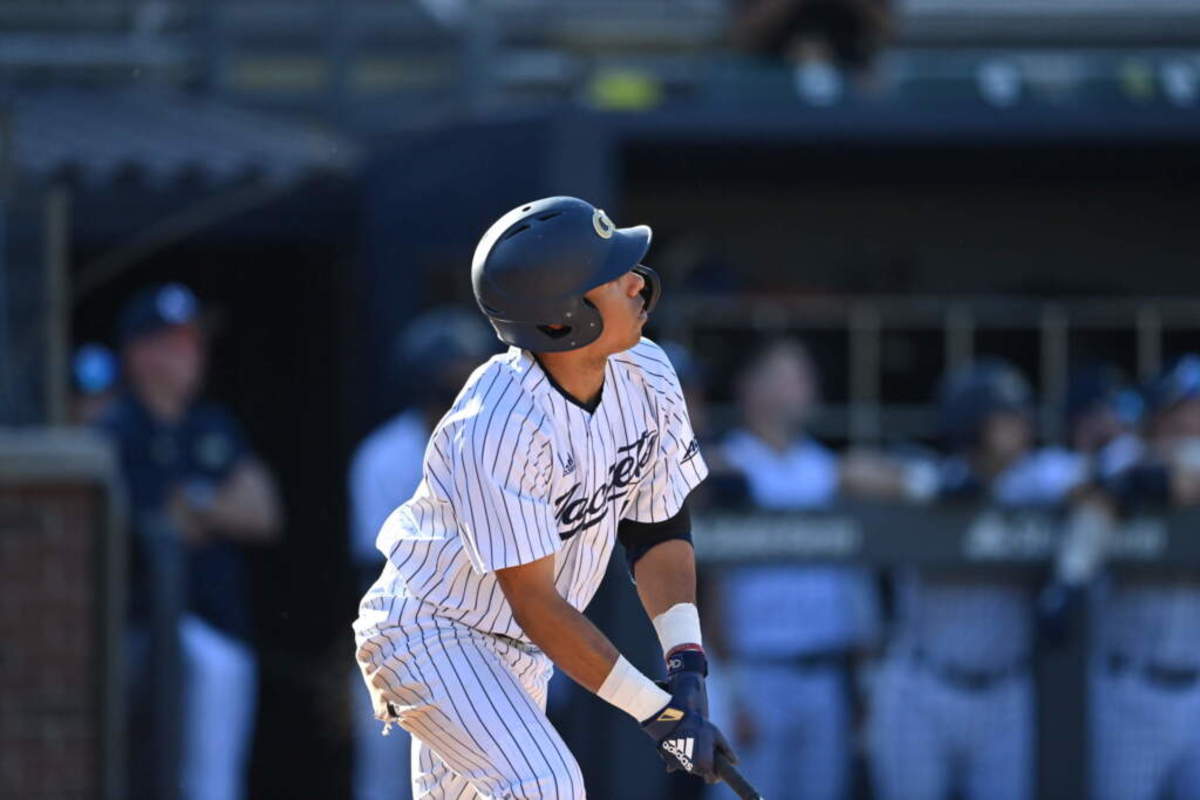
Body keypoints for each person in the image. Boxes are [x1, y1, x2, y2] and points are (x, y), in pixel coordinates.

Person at [353, 196, 737, 799]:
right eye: (614, 277)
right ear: (562, 320)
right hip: (432, 630)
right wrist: (659, 716)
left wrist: (686, 668)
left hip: (520, 653)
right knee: (546, 784)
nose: (638, 283)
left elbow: (657, 529)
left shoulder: (650, 370)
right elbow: (536, 601)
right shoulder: (497, 423)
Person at [97, 283, 283, 800]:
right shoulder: (115, 429)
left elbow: (264, 513)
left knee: (212, 782)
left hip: (219, 627)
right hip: (141, 632)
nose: (193, 354)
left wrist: (196, 503)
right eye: (178, 342)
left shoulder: (212, 425)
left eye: (195, 341)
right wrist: (207, 504)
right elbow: (149, 524)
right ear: (140, 351)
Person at [868, 359, 1086, 800]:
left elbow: (1097, 483)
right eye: (1006, 417)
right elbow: (851, 471)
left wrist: (1070, 575)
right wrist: (927, 488)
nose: (1021, 426)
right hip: (923, 685)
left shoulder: (1036, 478)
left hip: (1004, 690)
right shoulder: (930, 477)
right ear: (973, 424)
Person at [701, 337, 895, 800]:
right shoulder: (730, 464)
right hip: (751, 675)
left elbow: (893, 481)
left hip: (823, 676)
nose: (807, 386)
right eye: (791, 374)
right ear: (752, 387)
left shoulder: (822, 468)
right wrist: (729, 690)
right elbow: (705, 586)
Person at [347, 307, 498, 800]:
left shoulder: (502, 447)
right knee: (388, 784)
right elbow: (374, 570)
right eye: (455, 367)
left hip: (492, 644)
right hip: (400, 644)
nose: (464, 378)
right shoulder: (384, 454)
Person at [1090, 354, 1200, 800]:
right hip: (1131, 688)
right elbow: (1106, 478)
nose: (1193, 420)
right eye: (1184, 408)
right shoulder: (1124, 458)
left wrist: (1175, 482)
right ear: (1159, 415)